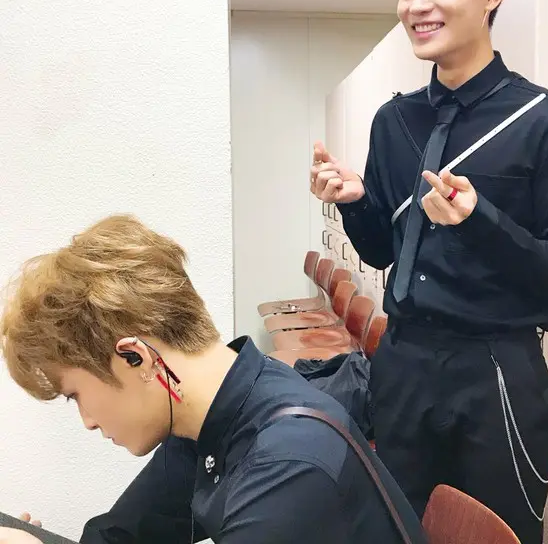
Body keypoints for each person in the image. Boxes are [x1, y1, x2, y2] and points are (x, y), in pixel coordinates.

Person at [310, 0, 548, 543]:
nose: (417, 6)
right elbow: (382, 251)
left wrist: (479, 221)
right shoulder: (394, 121)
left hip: (495, 375)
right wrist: (355, 202)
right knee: (398, 529)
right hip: (403, 363)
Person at [0, 215, 427, 544]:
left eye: (75, 395)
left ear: (135, 357)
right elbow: (117, 537)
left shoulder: (287, 468)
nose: (88, 421)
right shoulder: (208, 417)